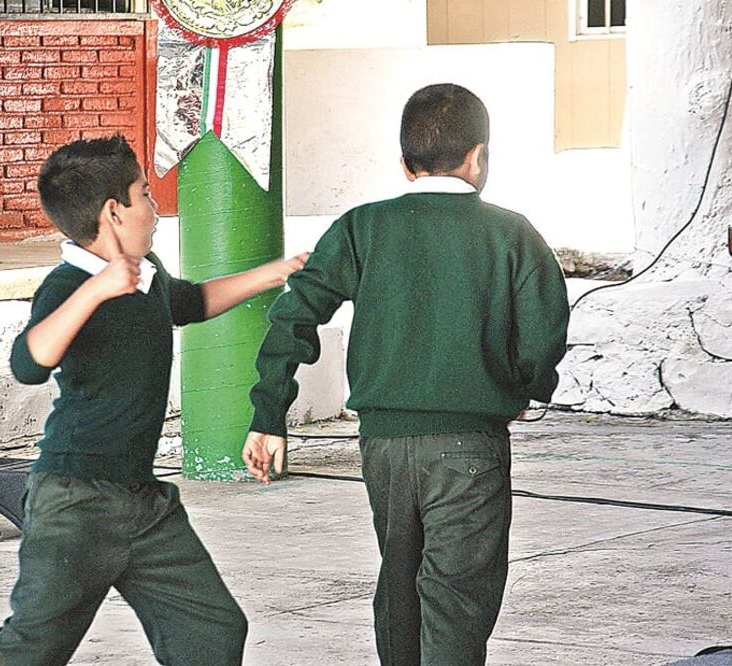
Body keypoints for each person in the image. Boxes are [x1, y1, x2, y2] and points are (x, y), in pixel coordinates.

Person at [241, 83, 570, 666]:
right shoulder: (512, 232)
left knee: (399, 583)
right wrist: (525, 389)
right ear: (478, 157)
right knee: (457, 599)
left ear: (404, 164)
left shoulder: (361, 227)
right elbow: (545, 335)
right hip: (470, 444)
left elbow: (294, 312)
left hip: (383, 447)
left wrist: (270, 414)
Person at [0, 134, 307, 666]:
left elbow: (192, 302)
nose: (155, 209)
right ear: (113, 212)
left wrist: (279, 271)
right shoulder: (67, 284)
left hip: (144, 506)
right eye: (145, 194)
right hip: (76, 502)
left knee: (212, 630)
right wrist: (96, 290)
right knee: (32, 648)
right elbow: (28, 363)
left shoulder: (149, 275)